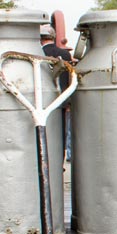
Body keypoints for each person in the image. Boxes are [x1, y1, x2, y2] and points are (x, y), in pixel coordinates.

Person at [40, 23, 74, 161]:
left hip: (42, 101)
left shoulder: (38, 53)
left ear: (40, 38)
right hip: (62, 99)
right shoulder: (65, 54)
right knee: (61, 133)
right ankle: (59, 162)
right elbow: (70, 78)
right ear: (53, 37)